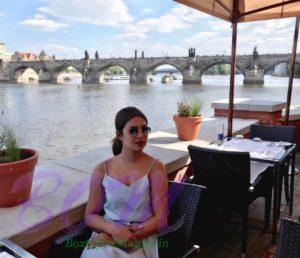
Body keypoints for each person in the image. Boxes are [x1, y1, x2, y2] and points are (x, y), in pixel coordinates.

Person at [81, 107, 168, 258]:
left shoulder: (156, 168)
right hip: (107, 234)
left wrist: (122, 238)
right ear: (120, 135)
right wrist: (114, 231)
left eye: (144, 129)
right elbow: (90, 216)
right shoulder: (102, 170)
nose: (141, 135)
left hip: (142, 236)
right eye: (133, 131)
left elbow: (161, 219)